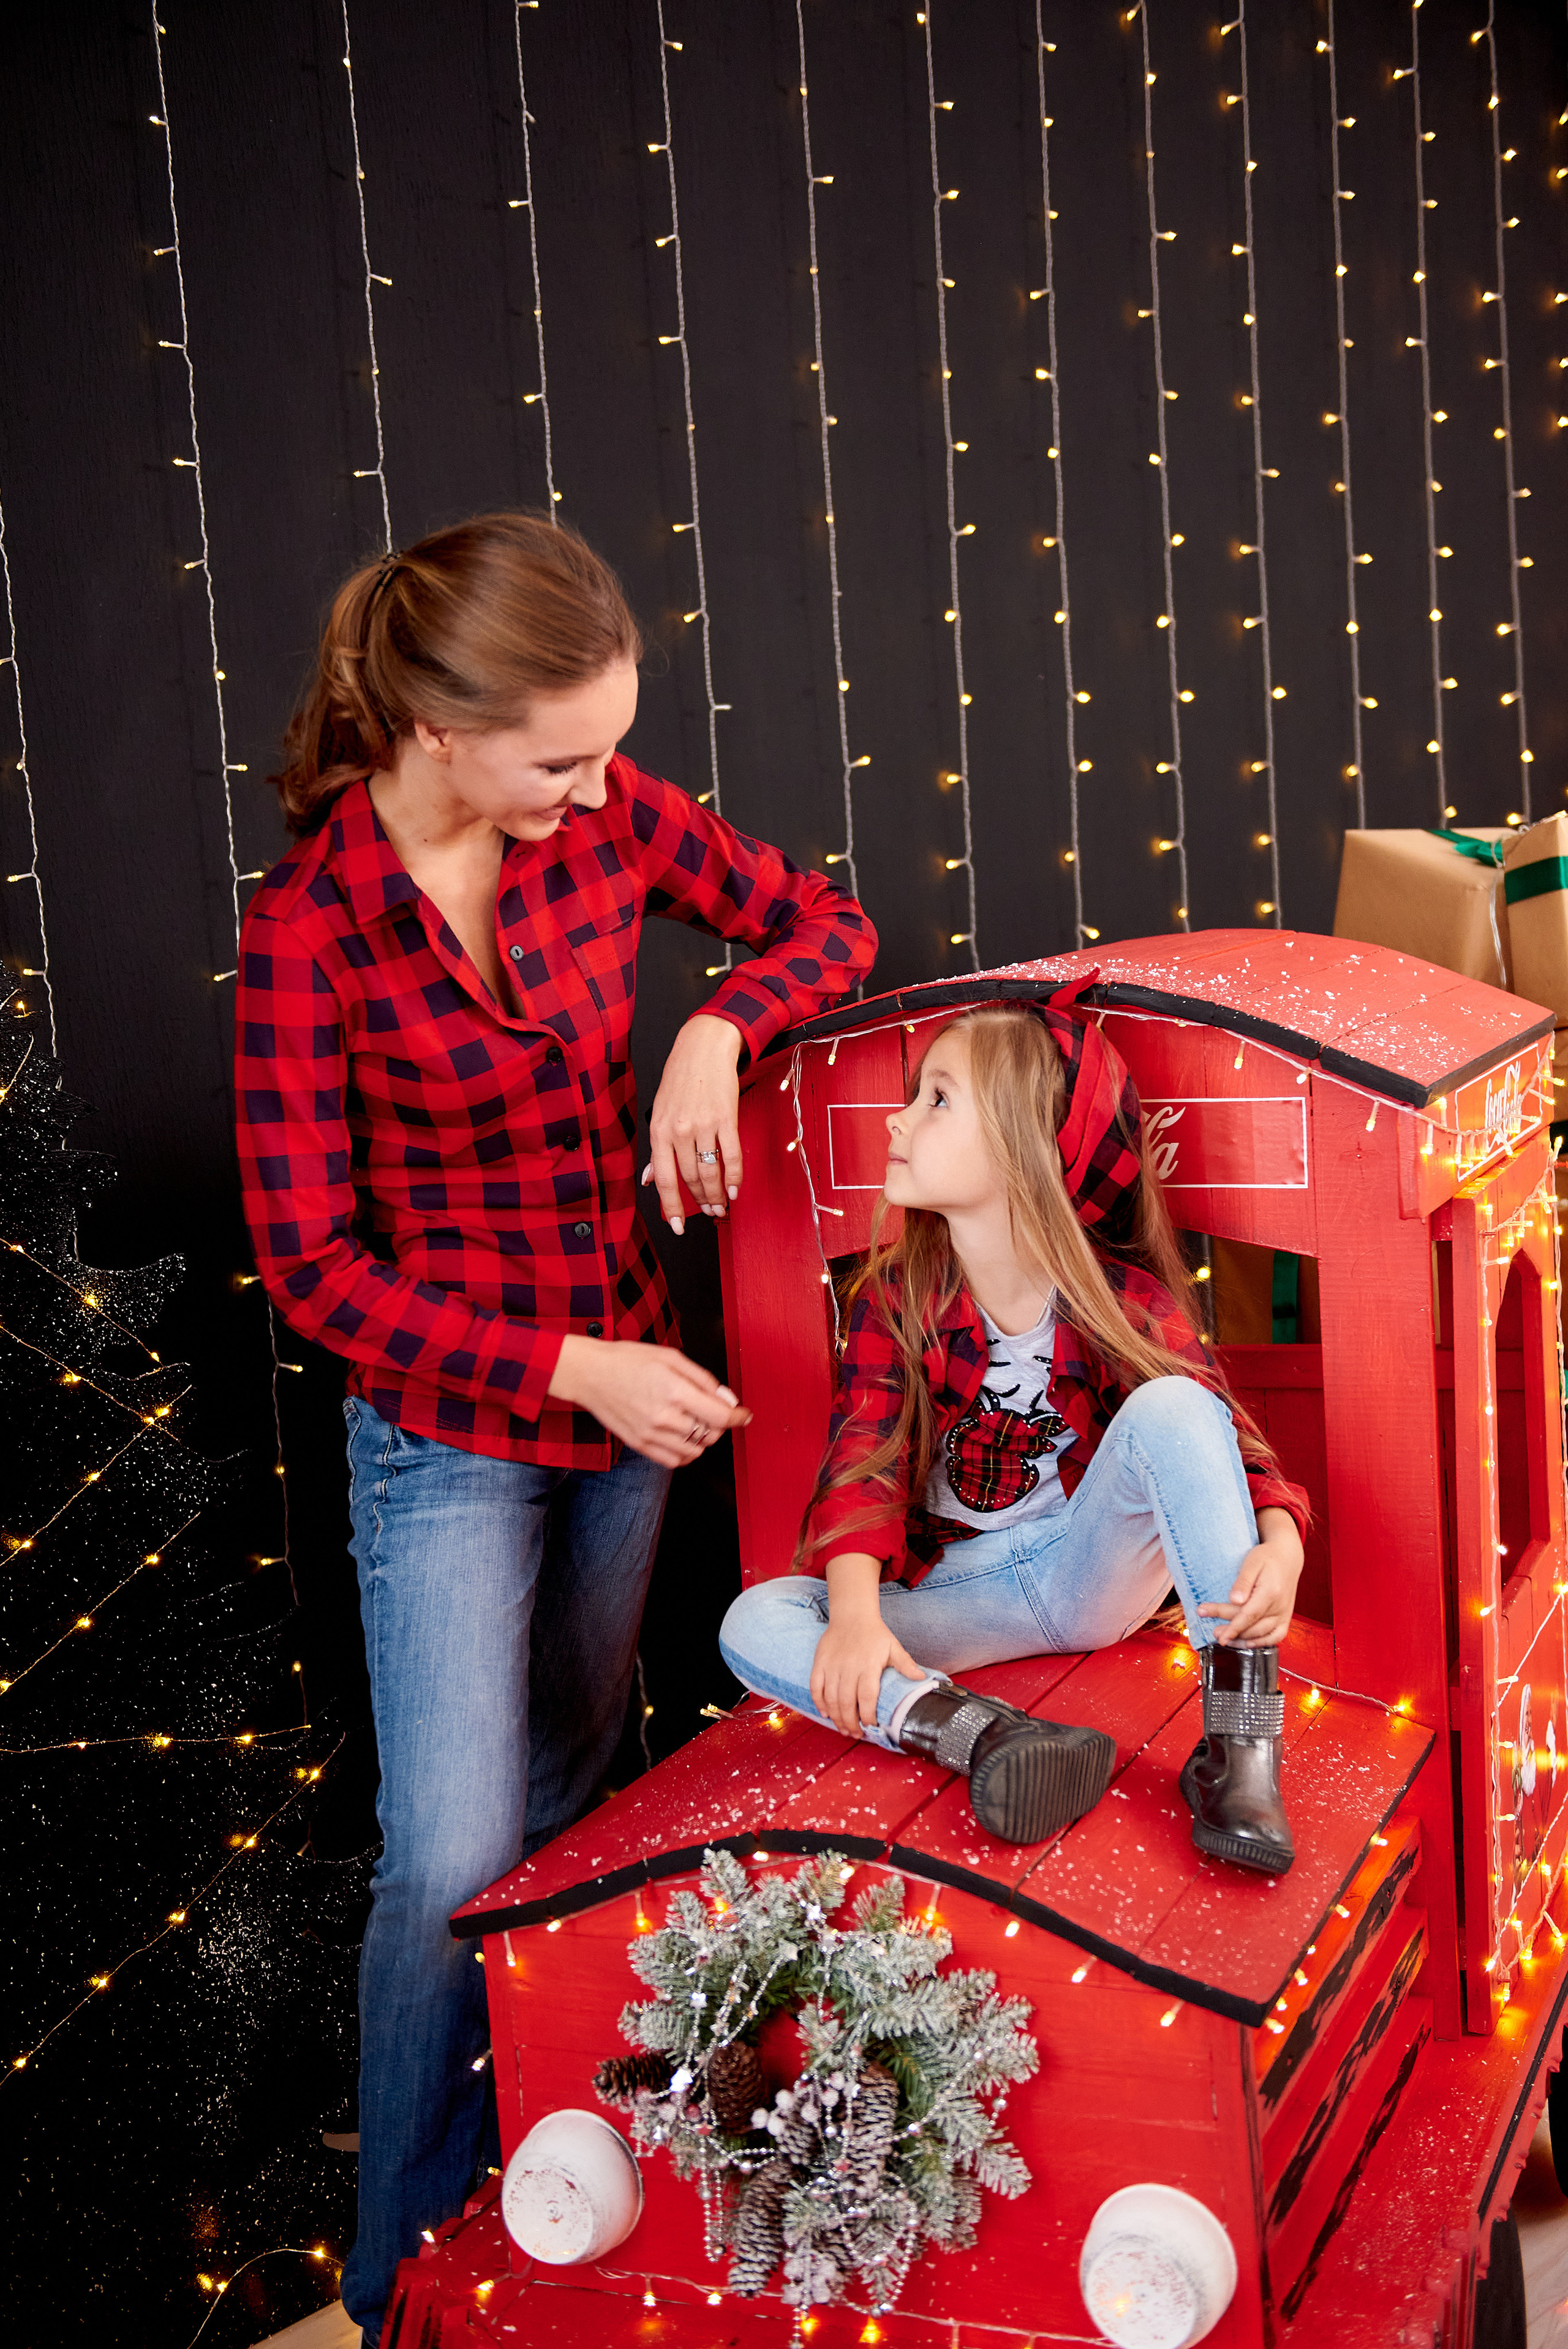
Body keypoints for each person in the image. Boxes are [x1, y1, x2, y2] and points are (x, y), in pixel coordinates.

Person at [233, 510, 875, 2340]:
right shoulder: (312, 933)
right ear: (438, 728)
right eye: (561, 756)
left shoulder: (605, 818)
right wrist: (566, 1369)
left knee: (572, 1812)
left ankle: (553, 2223)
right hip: (452, 1432)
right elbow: (314, 1271)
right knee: (447, 1853)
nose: (598, 791)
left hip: (623, 1412)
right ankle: (400, 2292)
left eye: (609, 748)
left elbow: (823, 918)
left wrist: (718, 1029)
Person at [720, 985, 1310, 1874]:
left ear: (1025, 1146)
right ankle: (979, 1732)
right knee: (754, 1617)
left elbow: (1231, 1445)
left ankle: (1239, 1748)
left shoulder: (1124, 1301)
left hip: (1086, 1573)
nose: (899, 1121)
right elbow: (862, 1461)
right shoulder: (893, 1297)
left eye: (938, 1099)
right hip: (959, 1594)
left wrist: (1281, 1544)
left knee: (1179, 1407)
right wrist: (849, 1616)